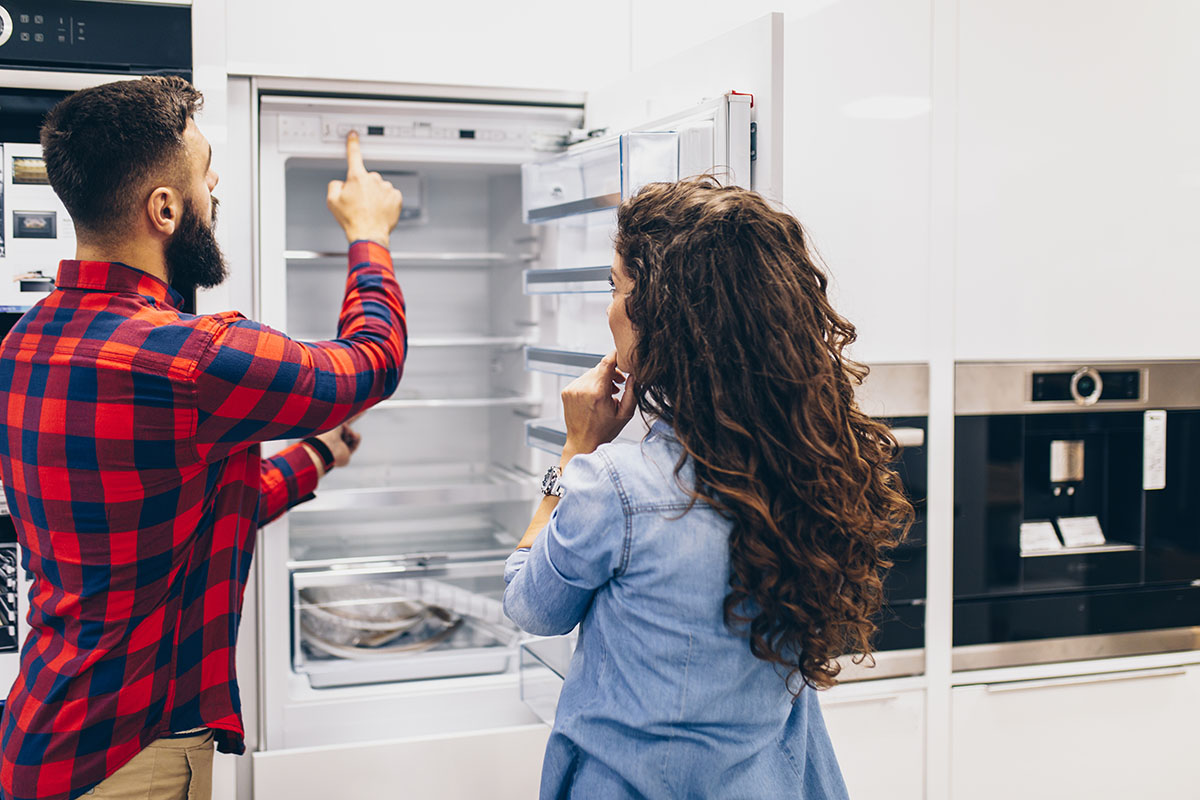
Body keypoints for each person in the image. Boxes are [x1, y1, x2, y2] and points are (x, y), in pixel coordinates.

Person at [0, 77, 405, 800]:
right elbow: (373, 362)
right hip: (128, 761)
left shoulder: (24, 344)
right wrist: (368, 235)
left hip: (41, 735)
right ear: (164, 208)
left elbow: (173, 516)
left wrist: (315, 457)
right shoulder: (191, 361)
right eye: (205, 168)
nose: (214, 185)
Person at [503, 178, 915, 799]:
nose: (609, 309)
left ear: (661, 318)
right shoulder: (816, 468)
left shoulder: (616, 487)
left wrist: (574, 452)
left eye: (617, 289)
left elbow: (531, 605)